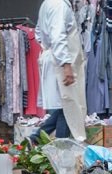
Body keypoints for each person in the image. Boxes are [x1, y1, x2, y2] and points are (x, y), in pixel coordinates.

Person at [36, 0, 86, 141]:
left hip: (55, 57)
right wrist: (66, 64)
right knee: (68, 105)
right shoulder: (59, 5)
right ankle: (61, 147)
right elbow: (58, 35)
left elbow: (39, 32)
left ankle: (36, 137)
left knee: (66, 106)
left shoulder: (48, 3)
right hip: (60, 62)